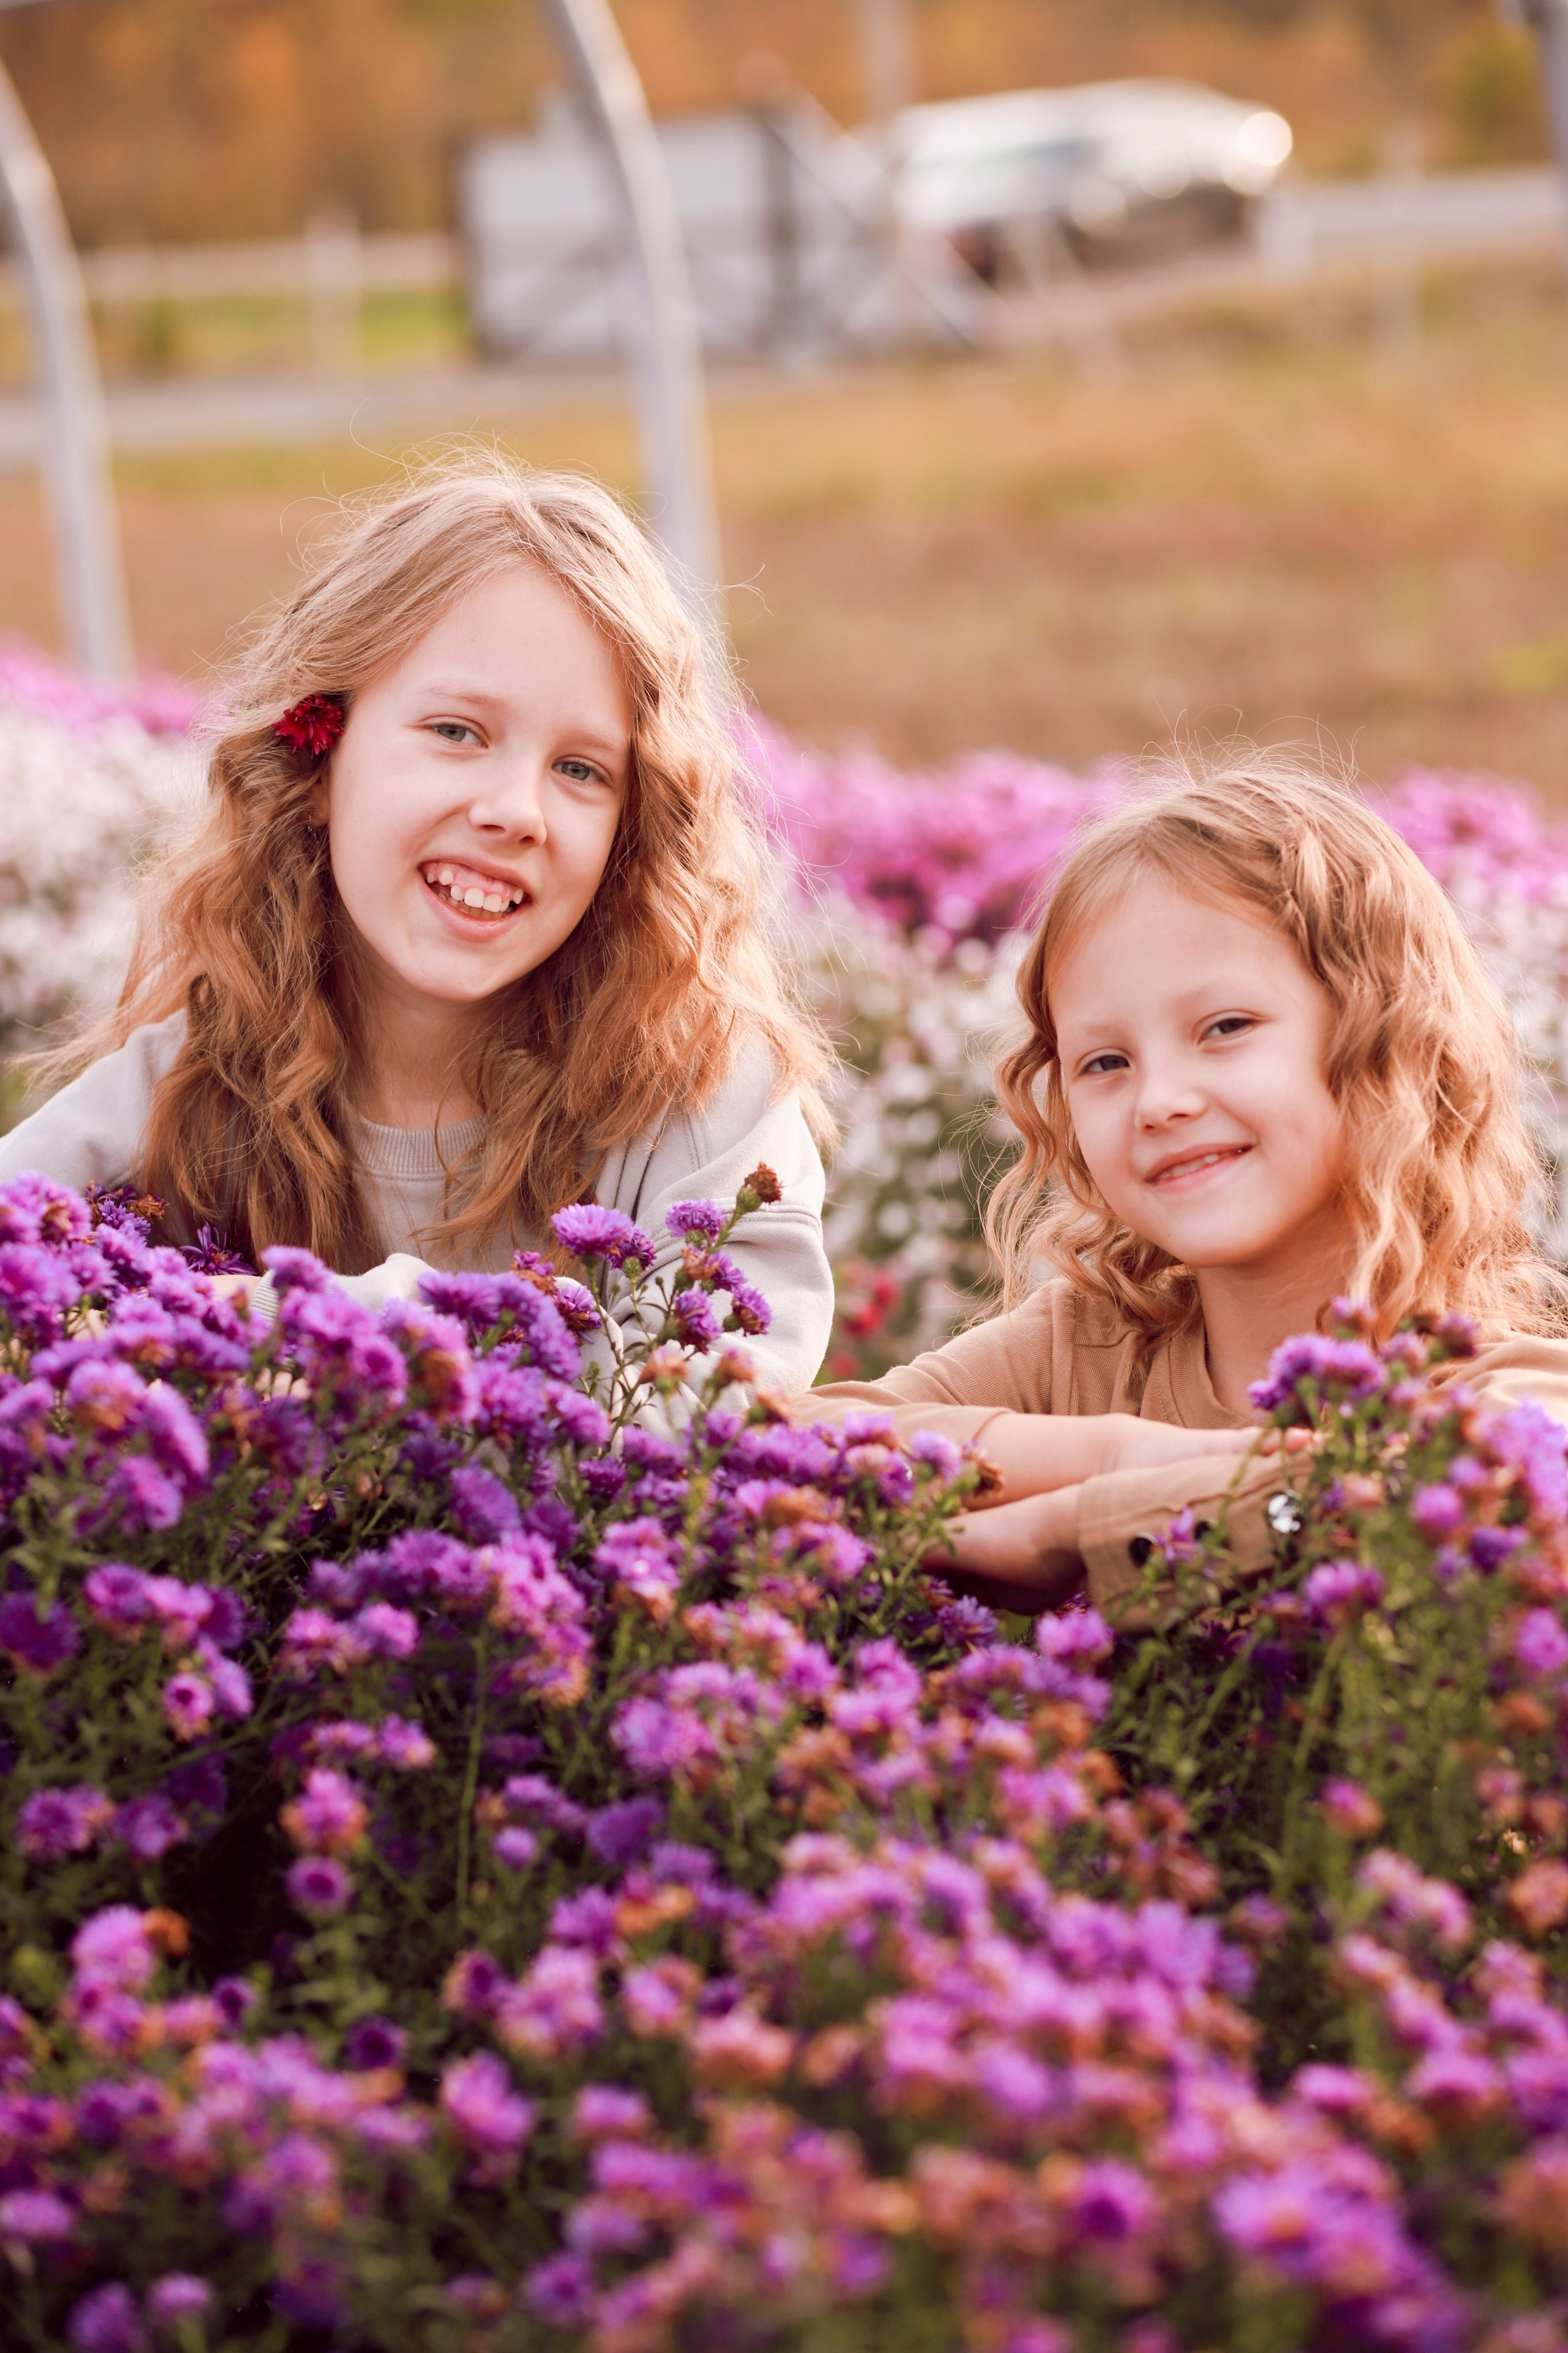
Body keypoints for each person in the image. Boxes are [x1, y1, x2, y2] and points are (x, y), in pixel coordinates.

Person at [0, 458, 835, 1396]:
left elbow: (722, 1391)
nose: (516, 810)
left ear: (633, 832)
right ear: (318, 755)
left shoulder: (702, 1088)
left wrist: (288, 1321)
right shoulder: (199, 1074)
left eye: (582, 770)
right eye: (457, 732)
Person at [798, 756, 1568, 1614]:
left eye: (1226, 1026)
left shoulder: (1496, 1384)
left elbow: (1454, 1499)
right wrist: (1120, 1456)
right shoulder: (1084, 1350)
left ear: (1386, 1040)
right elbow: (803, 1444)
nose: (1159, 1100)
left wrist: (1075, 1528)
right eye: (1105, 1062)